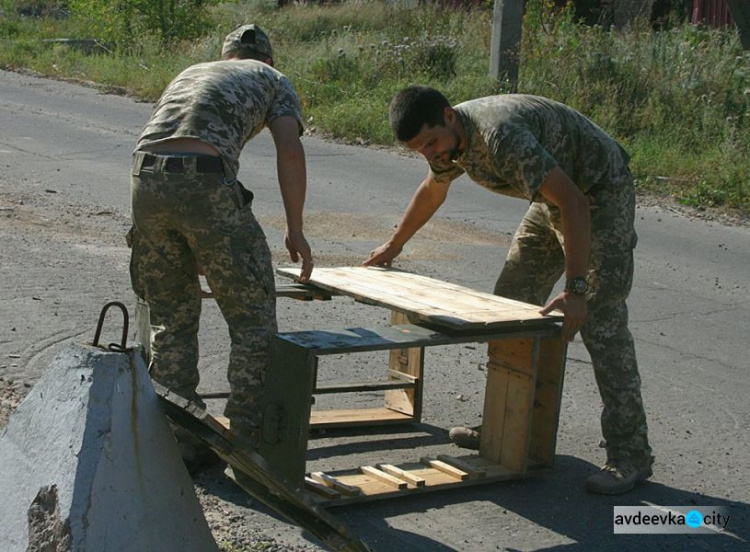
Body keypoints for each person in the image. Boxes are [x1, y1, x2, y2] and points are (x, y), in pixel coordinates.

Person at [364, 85, 653, 495]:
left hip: (597, 194)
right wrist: (394, 245)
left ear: (448, 116)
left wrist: (576, 289)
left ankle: (630, 455)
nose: (430, 154)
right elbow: (433, 189)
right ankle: (510, 428)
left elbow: (574, 203)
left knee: (600, 322)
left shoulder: (500, 137)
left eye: (431, 143)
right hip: (553, 199)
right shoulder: (448, 142)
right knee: (509, 307)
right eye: (420, 151)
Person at [128, 24, 313, 471]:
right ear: (267, 59)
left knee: (171, 320)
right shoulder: (273, 78)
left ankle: (179, 443)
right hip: (206, 179)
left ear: (225, 53)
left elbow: (167, 139)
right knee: (252, 321)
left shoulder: (193, 71)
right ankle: (247, 447)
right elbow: (289, 148)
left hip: (144, 178)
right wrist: (295, 228)